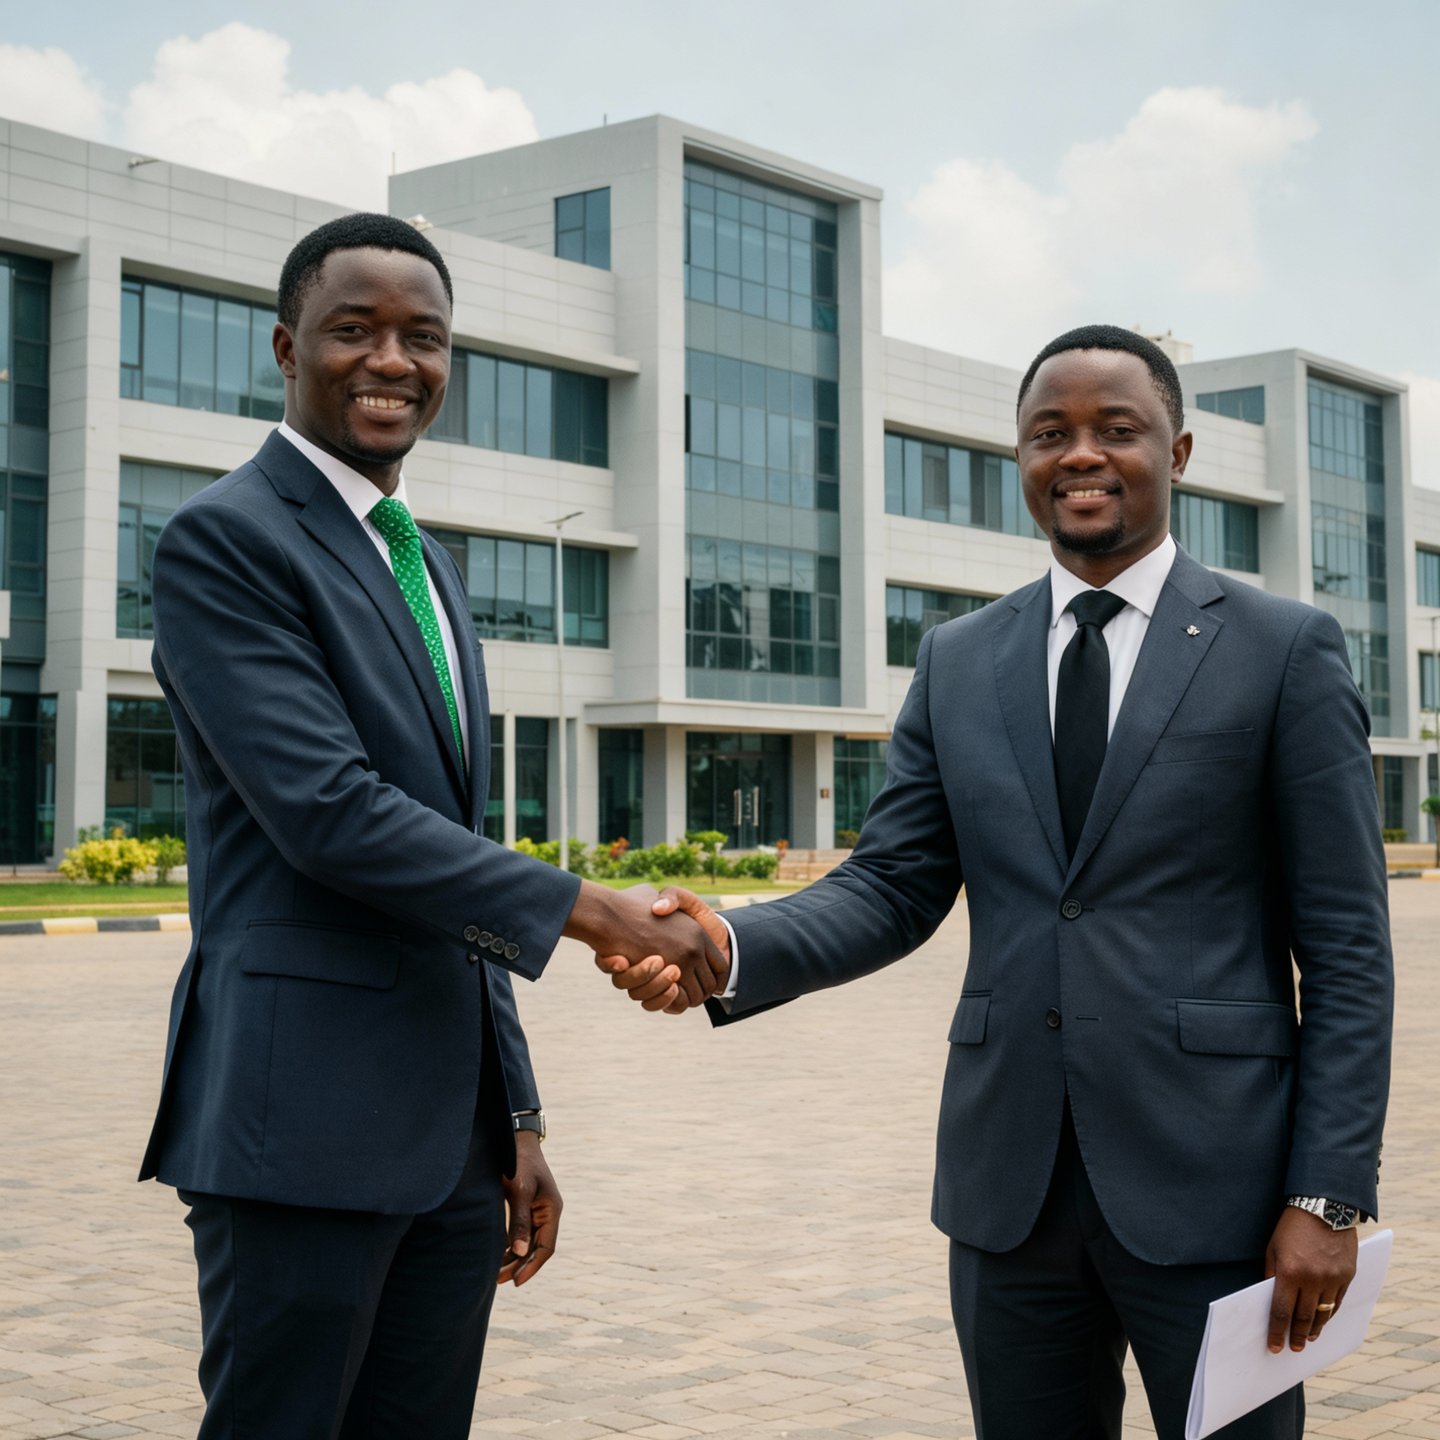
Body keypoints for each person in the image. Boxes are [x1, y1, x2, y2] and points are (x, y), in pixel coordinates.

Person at [605, 326, 1394, 1438]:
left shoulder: (1282, 649)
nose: (1081, 455)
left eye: (1116, 429)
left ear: (1177, 453)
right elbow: (893, 884)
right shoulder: (959, 658)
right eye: (1049, 434)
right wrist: (731, 944)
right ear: (1021, 460)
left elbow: (1350, 949)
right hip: (1008, 1189)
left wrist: (1328, 1194)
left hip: (1218, 1186)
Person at [139, 212, 725, 1439]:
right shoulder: (227, 540)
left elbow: (451, 858)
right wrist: (601, 914)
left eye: (424, 337)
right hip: (299, 1125)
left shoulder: (425, 564)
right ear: (287, 346)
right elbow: (332, 814)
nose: (392, 361)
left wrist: (514, 1117)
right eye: (354, 330)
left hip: (450, 1147)